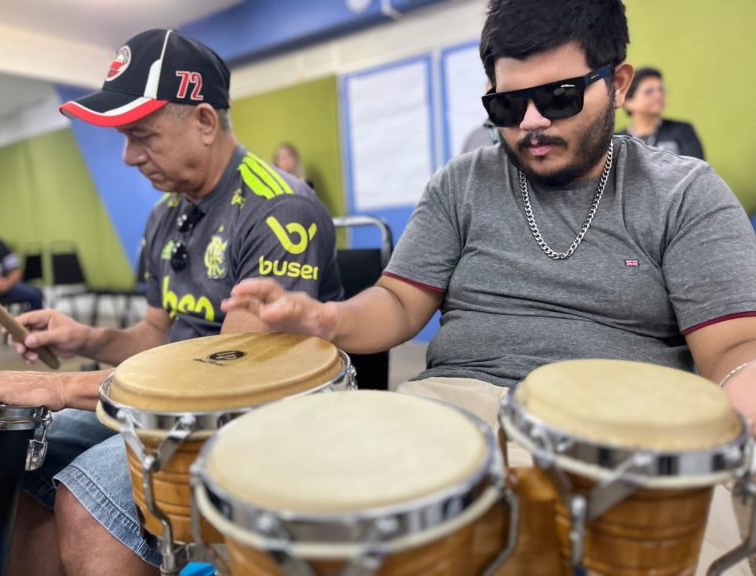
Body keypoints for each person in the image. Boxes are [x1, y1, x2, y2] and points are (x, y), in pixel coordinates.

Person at [224, 1, 756, 573]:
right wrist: (328, 320)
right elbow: (400, 302)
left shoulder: (685, 194)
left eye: (559, 97)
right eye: (507, 103)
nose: (530, 121)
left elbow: (732, 350)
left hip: (624, 437)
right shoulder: (461, 183)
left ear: (618, 82)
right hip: (455, 410)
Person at [0, 29, 342, 575]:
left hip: (244, 417)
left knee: (88, 502)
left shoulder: (280, 210)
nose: (129, 156)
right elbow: (156, 337)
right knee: (22, 461)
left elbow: (231, 379)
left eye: (142, 135)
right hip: (164, 410)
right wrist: (85, 337)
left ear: (204, 121)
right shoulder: (166, 215)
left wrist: (60, 386)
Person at [619, 66, 705, 159]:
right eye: (649, 91)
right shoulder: (619, 140)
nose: (659, 95)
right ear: (627, 101)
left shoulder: (682, 131)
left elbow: (696, 169)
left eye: (661, 90)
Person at [0, 222, 44, 311]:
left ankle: (34, 322)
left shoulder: (0, 245)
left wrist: (7, 283)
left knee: (35, 294)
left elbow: (16, 269)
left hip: (4, 288)